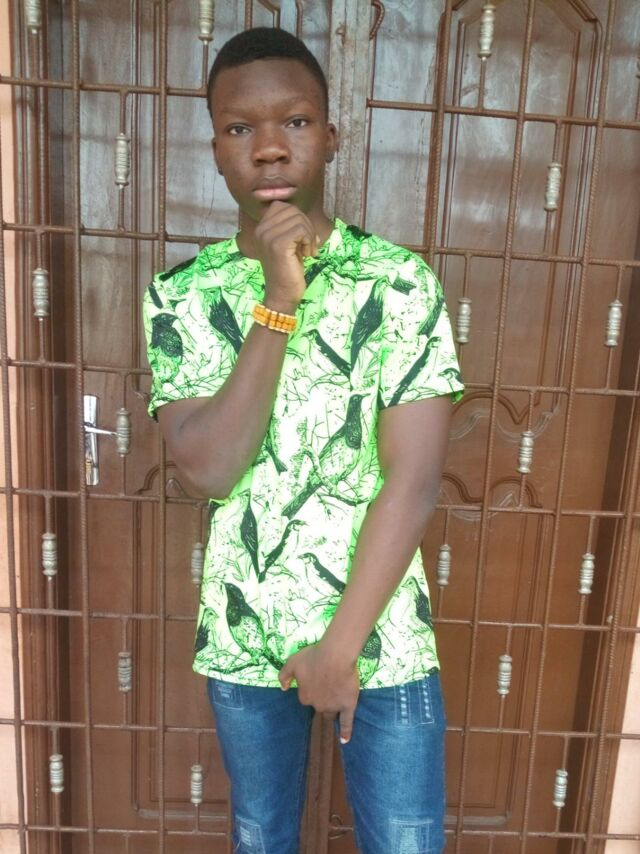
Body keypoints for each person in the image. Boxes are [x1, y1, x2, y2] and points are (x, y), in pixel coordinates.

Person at [143, 26, 464, 854]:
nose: (269, 147)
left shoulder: (399, 284)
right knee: (261, 841)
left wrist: (339, 649)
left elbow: (414, 480)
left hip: (383, 639)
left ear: (330, 136)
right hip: (246, 636)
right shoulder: (182, 296)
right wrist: (278, 302)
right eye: (239, 128)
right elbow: (210, 468)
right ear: (216, 150)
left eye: (294, 121)